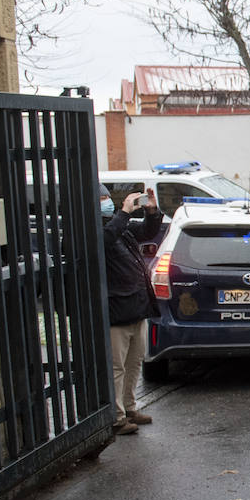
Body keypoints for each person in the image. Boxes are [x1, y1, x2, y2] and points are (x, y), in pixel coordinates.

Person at [101, 185, 162, 436]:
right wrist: (124, 213)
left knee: (135, 360)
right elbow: (105, 240)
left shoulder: (120, 226)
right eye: (102, 198)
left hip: (137, 307)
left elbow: (147, 231)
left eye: (107, 198)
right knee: (117, 366)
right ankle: (116, 417)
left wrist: (151, 211)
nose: (106, 202)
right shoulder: (102, 229)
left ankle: (129, 407)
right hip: (117, 310)